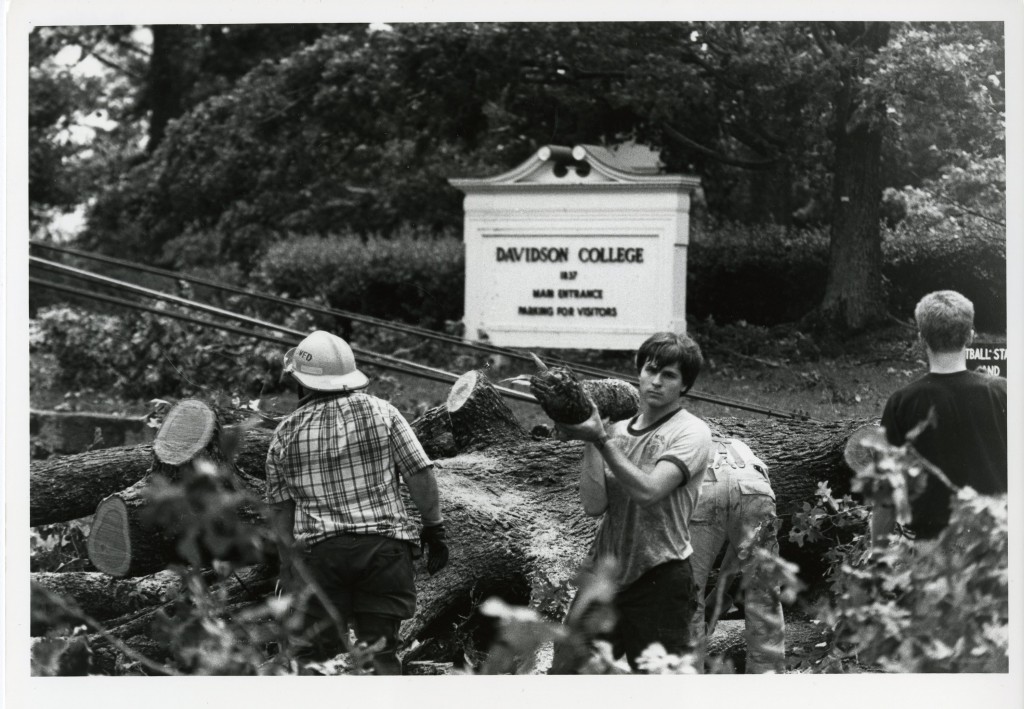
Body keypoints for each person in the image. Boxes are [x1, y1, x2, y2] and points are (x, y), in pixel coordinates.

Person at [265, 330, 449, 674]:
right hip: (384, 554)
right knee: (380, 655)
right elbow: (419, 473)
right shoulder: (385, 413)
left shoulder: (285, 434)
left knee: (320, 661)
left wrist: (286, 563)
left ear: (301, 382)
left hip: (320, 559)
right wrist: (434, 528)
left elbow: (280, 510)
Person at [552, 331, 713, 672]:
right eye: (650, 370)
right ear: (639, 371)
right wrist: (591, 440)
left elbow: (649, 492)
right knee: (570, 675)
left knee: (657, 689)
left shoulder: (691, 433)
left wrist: (600, 441)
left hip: (659, 578)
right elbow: (594, 506)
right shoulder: (615, 431)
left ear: (684, 386)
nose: (656, 382)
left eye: (668, 375)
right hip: (604, 575)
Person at [873, 290, 1007, 546]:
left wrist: (876, 555)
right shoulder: (1003, 392)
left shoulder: (902, 403)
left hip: (933, 553)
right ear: (971, 336)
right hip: (998, 545)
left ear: (922, 339)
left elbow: (886, 493)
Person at [688, 437, 786, 673]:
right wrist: (716, 599)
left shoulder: (688, 440)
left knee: (687, 594)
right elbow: (736, 556)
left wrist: (706, 605)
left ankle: (686, 682)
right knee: (764, 594)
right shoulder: (742, 447)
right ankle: (767, 683)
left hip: (702, 489)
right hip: (757, 490)